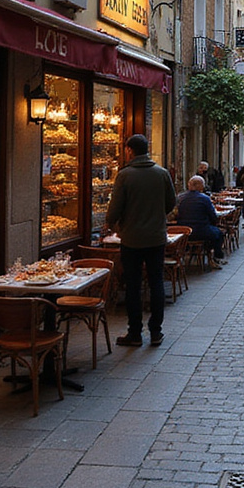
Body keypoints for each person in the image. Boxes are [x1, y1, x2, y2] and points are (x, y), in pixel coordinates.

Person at [105, 134, 176, 347]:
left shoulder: (125, 175)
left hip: (131, 239)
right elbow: (171, 203)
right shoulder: (161, 173)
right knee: (156, 283)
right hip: (156, 237)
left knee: (133, 285)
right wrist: (156, 217)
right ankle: (156, 331)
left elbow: (115, 208)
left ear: (129, 150)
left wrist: (113, 223)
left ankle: (134, 332)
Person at [176, 174, 226, 268]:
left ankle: (187, 253)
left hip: (183, 232)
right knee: (219, 233)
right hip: (201, 231)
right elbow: (213, 216)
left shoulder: (180, 197)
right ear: (200, 186)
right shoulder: (204, 198)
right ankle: (216, 257)